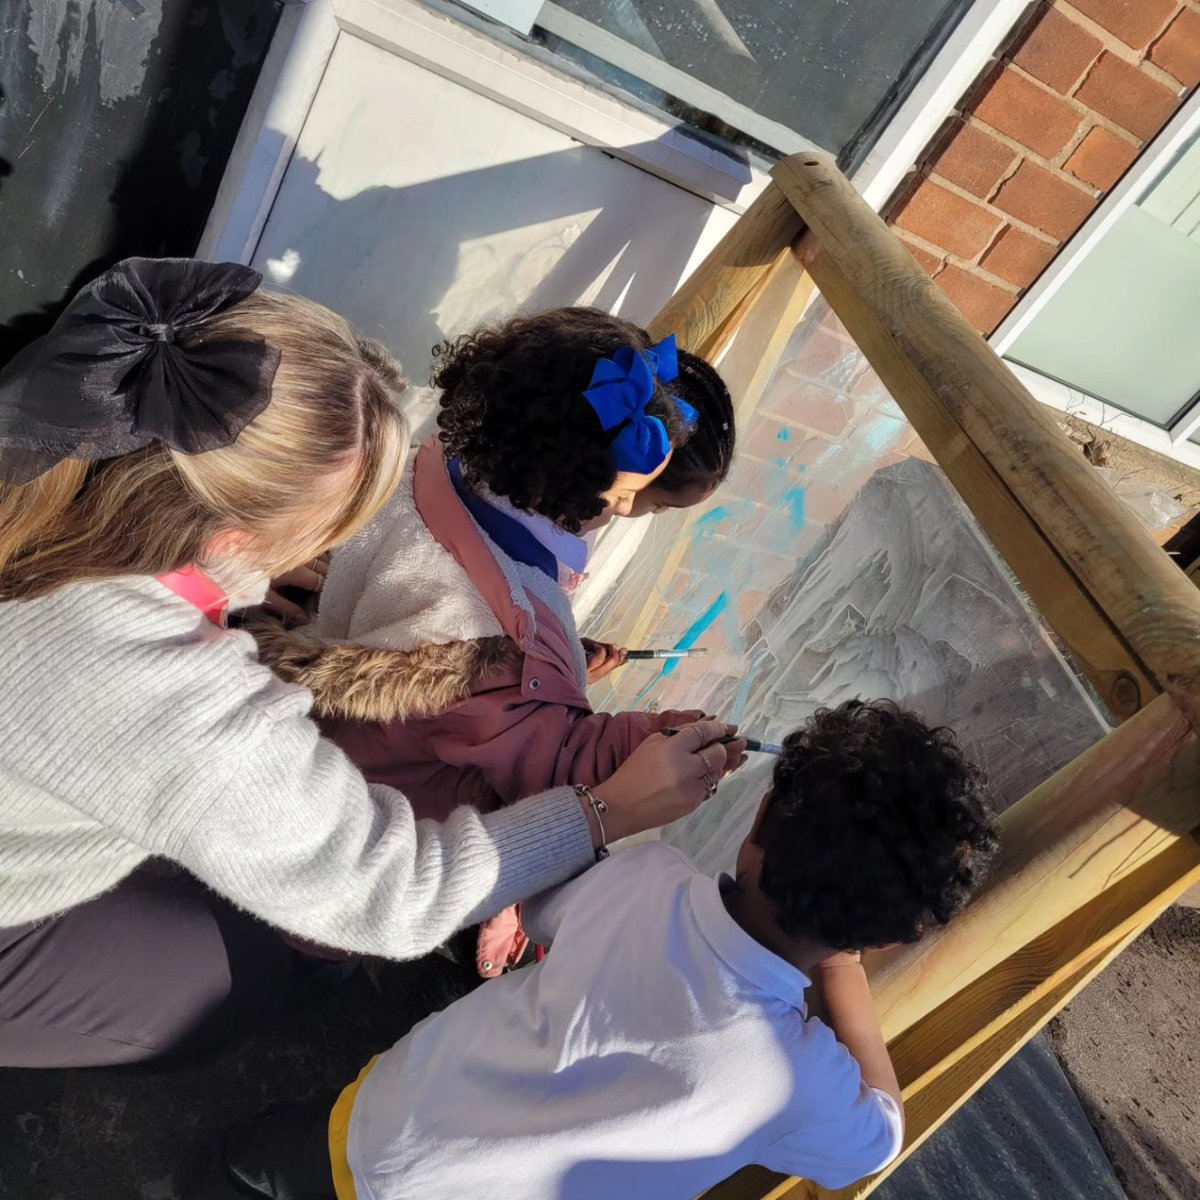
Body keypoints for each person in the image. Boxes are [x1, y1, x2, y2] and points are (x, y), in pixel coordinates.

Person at [0, 260, 738, 1068]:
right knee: (221, 991)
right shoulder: (174, 697)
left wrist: (248, 588)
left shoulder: (62, 433)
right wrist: (605, 811)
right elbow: (395, 897)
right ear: (233, 537)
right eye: (340, 519)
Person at [223, 699, 999, 1200]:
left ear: (759, 819)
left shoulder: (644, 875)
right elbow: (876, 1141)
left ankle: (233, 1166)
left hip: (387, 1126)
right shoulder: (799, 1082)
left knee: (274, 1161)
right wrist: (844, 978)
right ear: (894, 935)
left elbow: (538, 908)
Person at [252, 307, 739, 974]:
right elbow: (559, 762)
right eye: (630, 495)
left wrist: (547, 676)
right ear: (568, 481)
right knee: (293, 972)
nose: (627, 510)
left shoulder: (434, 467)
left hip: (304, 758)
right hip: (354, 866)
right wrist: (659, 738)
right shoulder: (511, 652)